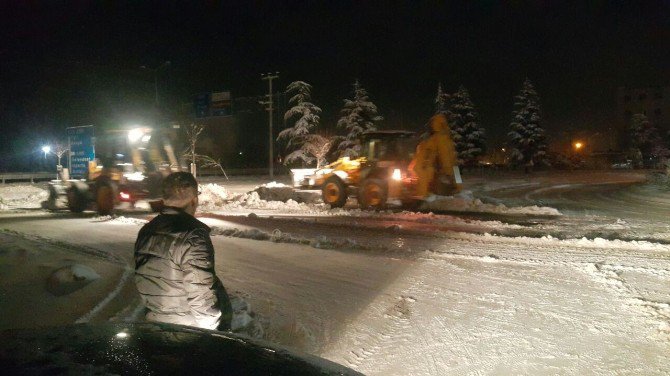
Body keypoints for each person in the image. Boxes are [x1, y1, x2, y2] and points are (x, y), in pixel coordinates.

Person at [134, 172, 232, 330]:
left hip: (154, 324)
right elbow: (201, 296)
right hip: (188, 332)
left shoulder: (146, 231)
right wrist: (213, 335)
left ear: (165, 199)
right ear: (194, 200)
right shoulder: (193, 236)